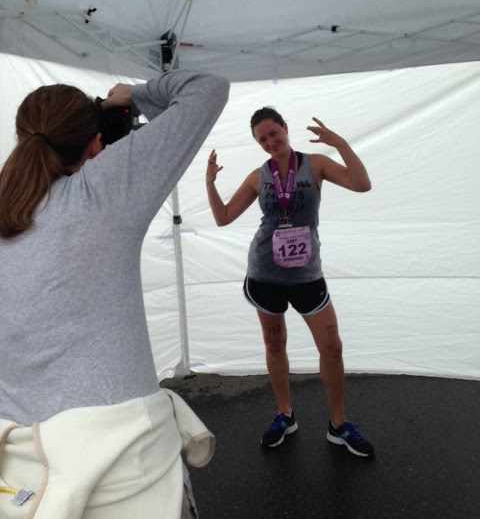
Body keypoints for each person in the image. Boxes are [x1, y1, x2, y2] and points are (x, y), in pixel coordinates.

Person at [0, 69, 229, 519]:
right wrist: (134, 95)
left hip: (22, 480)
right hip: (129, 479)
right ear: (95, 145)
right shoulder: (102, 189)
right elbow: (208, 89)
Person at [205, 106, 374, 457]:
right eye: (262, 139)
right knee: (275, 344)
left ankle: (338, 425)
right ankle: (285, 415)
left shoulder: (316, 164)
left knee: (332, 347)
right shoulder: (258, 176)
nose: (270, 142)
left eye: (273, 133)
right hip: (265, 273)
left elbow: (362, 184)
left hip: (307, 275)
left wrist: (340, 143)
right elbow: (223, 217)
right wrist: (209, 184)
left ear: (284, 128)